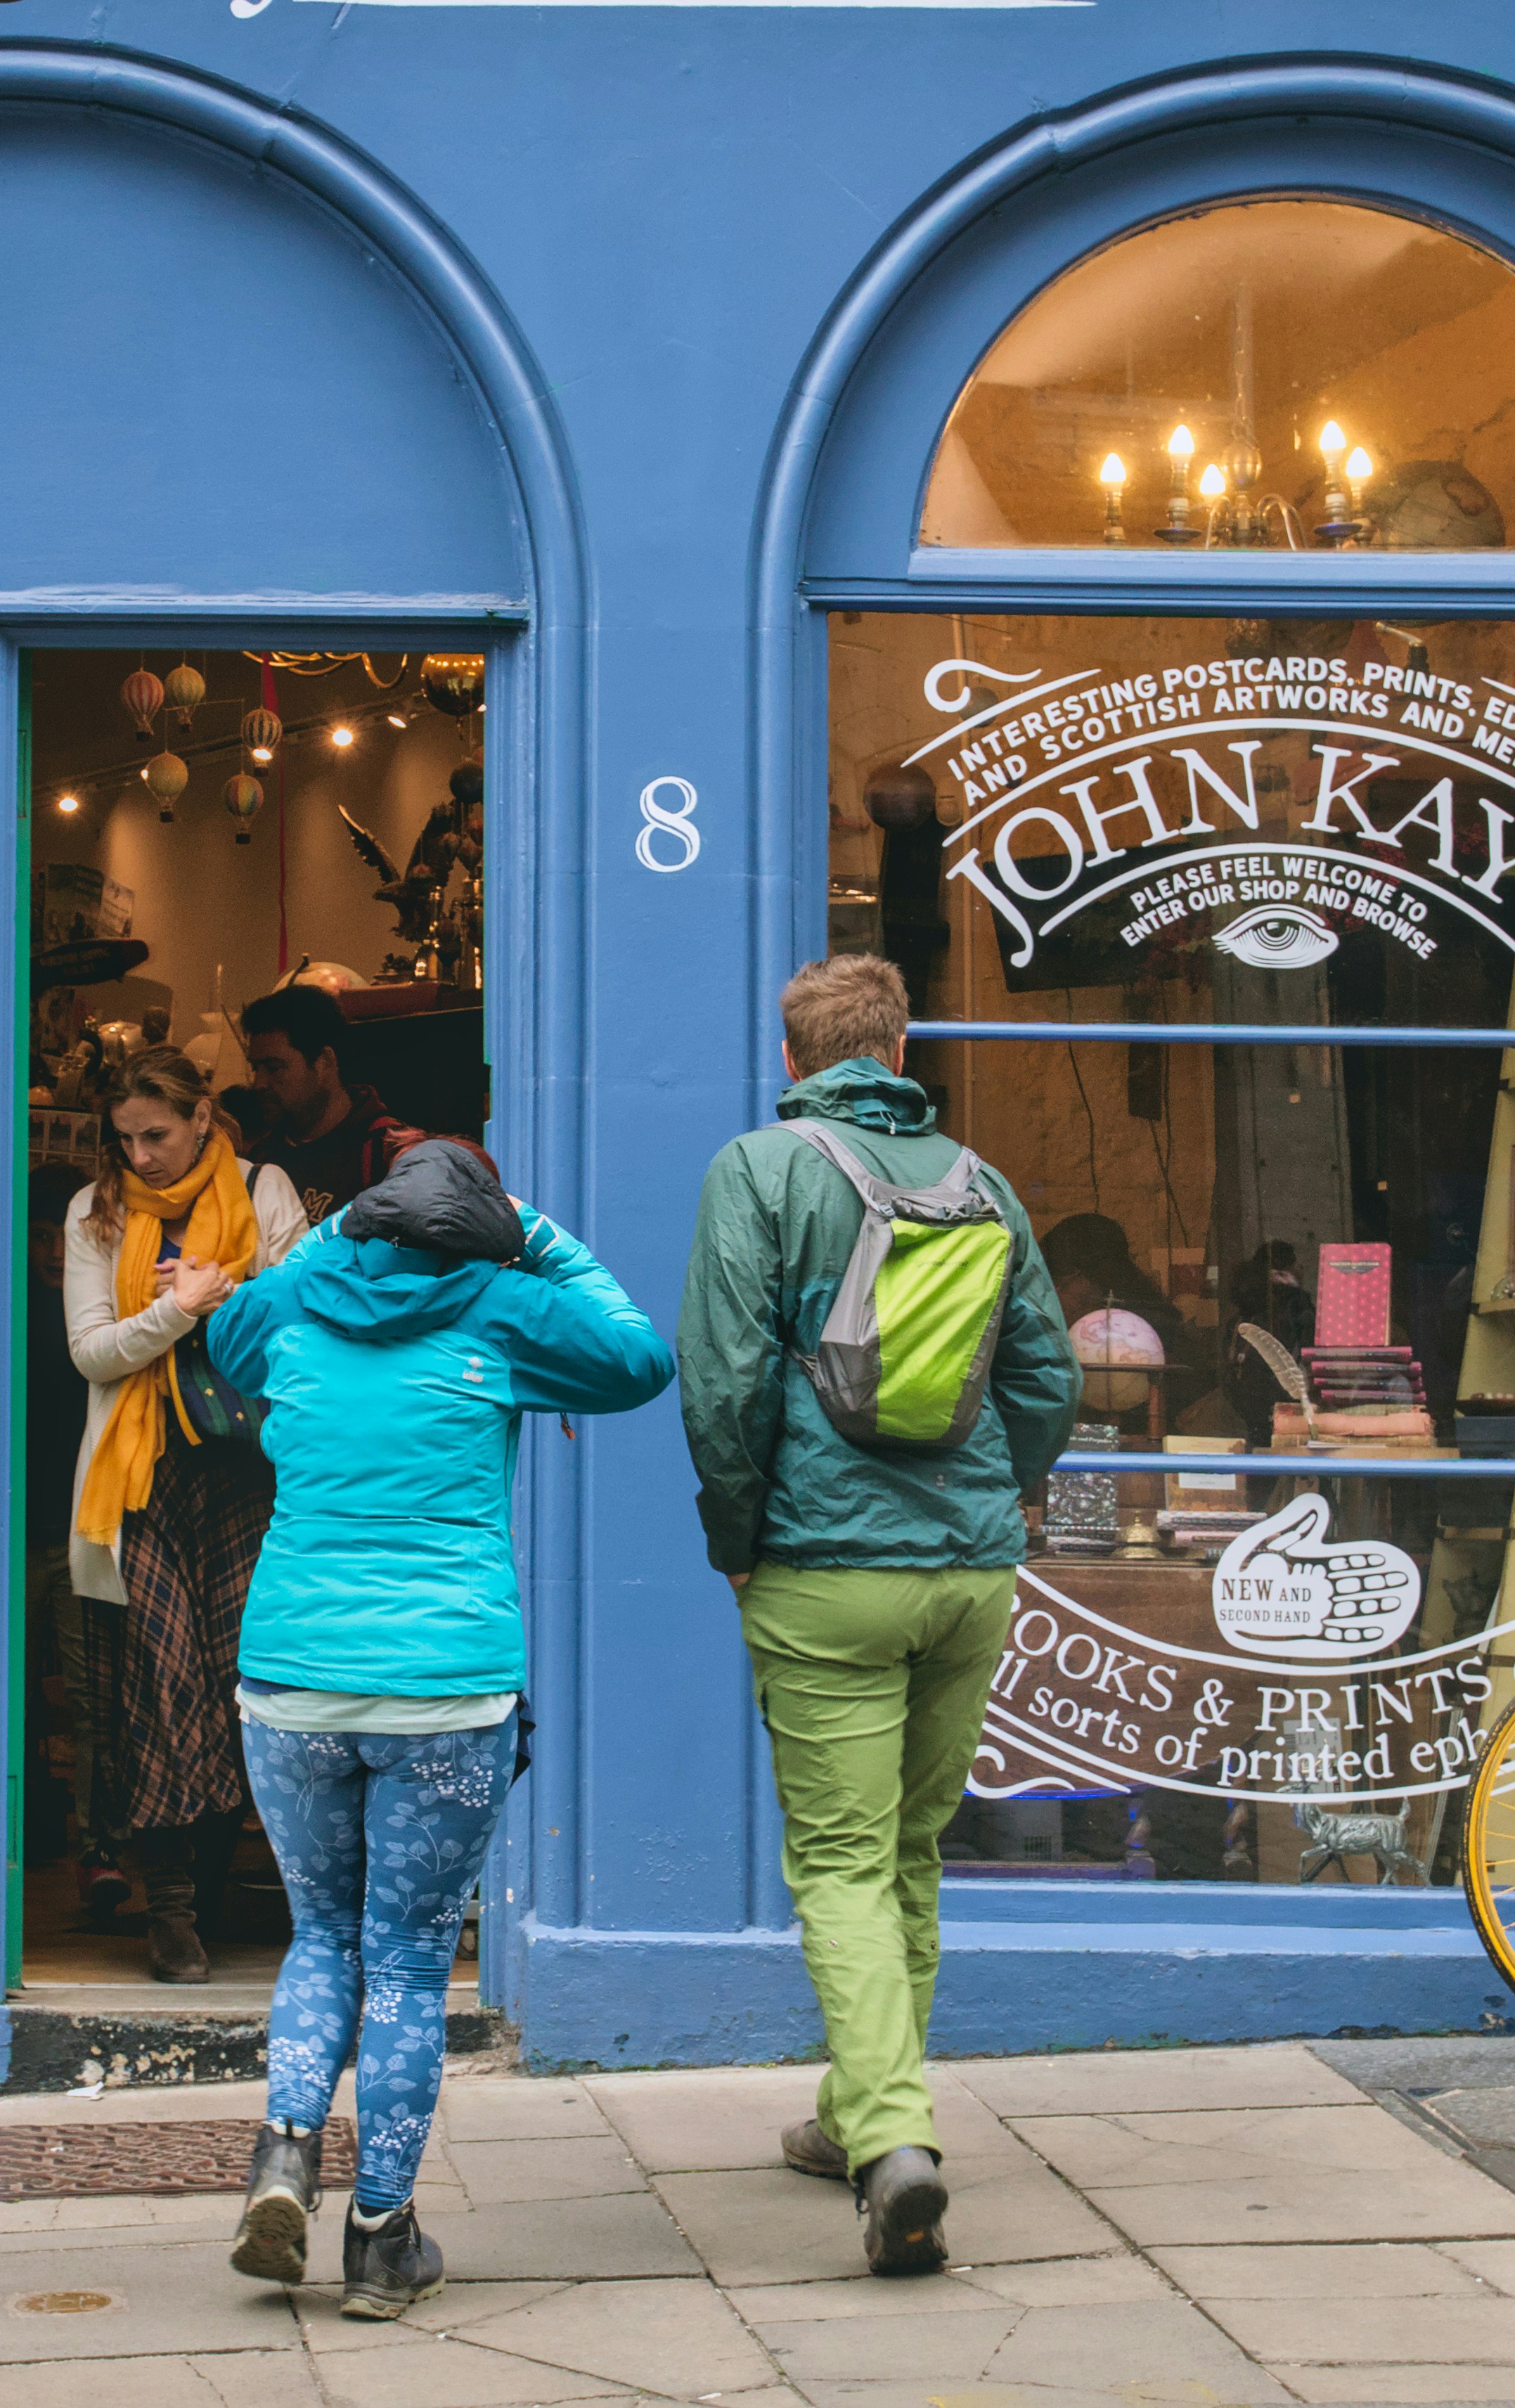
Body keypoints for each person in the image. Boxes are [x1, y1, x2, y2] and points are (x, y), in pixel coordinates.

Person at [211, 1135, 670, 2320]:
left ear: (369, 1217)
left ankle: (281, 2151)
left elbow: (221, 1340)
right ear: (483, 1231)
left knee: (320, 1936)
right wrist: (535, 1230)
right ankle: (380, 2234)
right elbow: (635, 1356)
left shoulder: (290, 1303)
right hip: (445, 1692)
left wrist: (332, 1228)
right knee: (411, 1960)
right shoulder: (505, 1304)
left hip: (294, 1681)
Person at [674, 955, 1079, 2276]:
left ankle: (893, 2138)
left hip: (824, 1569)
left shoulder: (760, 1169)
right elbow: (1050, 1374)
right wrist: (1006, 1496)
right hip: (967, 1571)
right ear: (898, 1046)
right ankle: (855, 2105)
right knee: (908, 1845)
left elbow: (725, 1380)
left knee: (843, 1859)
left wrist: (738, 1538)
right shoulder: (981, 1180)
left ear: (792, 1058)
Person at [61, 1045, 307, 1982]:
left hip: (247, 1473)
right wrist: (176, 1312)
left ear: (204, 1115)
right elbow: (92, 1353)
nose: (143, 1155)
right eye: (124, 1139)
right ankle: (170, 1912)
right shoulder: (96, 1213)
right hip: (142, 1479)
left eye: (157, 1134)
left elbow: (301, 1325)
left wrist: (222, 1298)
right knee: (160, 1689)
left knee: (239, 1684)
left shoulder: (264, 1189)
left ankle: (206, 1890)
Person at [240, 981, 401, 1222]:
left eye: (274, 1068)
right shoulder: (261, 1156)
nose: (259, 1083)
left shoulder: (387, 1152)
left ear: (324, 1062)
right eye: (255, 1068)